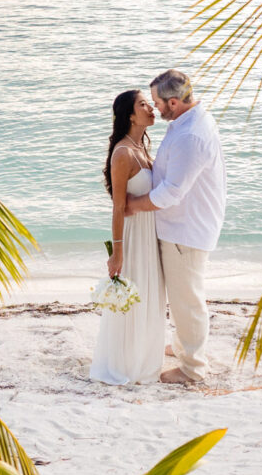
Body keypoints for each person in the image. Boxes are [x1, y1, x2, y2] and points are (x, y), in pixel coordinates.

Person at [125, 69, 226, 384]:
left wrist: (131, 205)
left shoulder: (189, 135)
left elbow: (170, 193)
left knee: (187, 299)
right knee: (184, 296)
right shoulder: (187, 122)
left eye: (156, 102)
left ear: (173, 102)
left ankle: (192, 368)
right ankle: (183, 346)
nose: (153, 108)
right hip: (187, 224)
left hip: (186, 229)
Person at [90, 90, 166, 385]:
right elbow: (118, 207)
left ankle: (146, 359)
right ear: (130, 115)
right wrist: (117, 252)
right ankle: (126, 364)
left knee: (150, 295)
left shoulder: (142, 149)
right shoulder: (123, 153)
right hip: (134, 236)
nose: (151, 108)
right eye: (143, 104)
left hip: (150, 233)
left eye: (150, 103)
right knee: (134, 297)